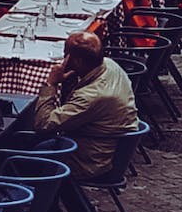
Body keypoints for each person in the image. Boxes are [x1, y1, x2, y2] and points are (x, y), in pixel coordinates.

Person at [27, 27, 139, 178]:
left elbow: (43, 124)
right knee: (31, 143)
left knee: (16, 158)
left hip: (87, 159)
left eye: (66, 55)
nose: (63, 59)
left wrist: (51, 85)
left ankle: (39, 198)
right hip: (103, 145)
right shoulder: (109, 65)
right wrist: (71, 76)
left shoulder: (92, 96)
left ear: (78, 61)